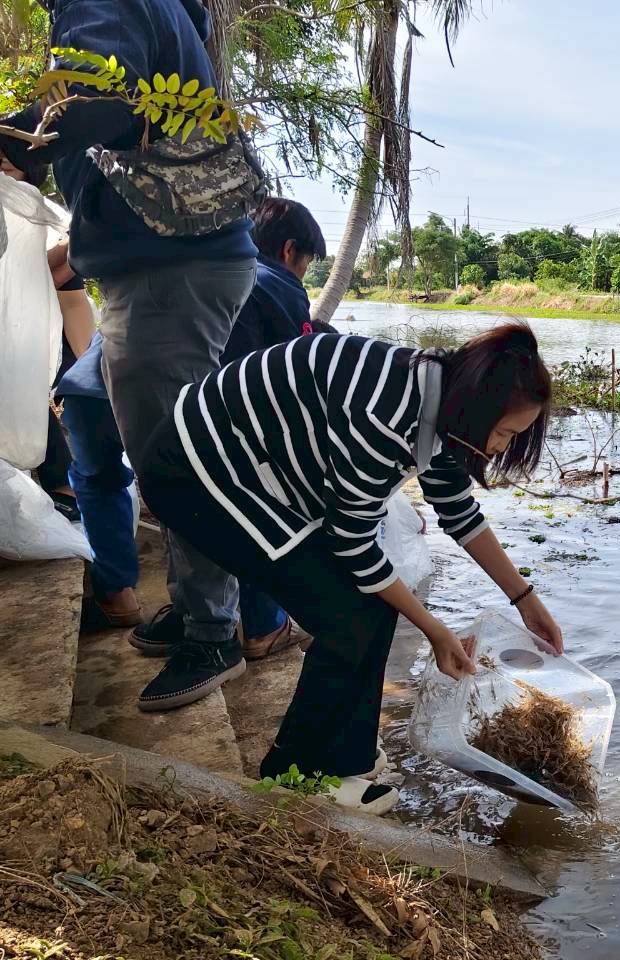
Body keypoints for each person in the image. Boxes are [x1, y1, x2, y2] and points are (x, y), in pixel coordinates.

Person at [136, 325, 563, 814]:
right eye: (506, 433)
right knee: (345, 614)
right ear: (478, 409)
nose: (500, 450)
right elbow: (353, 541)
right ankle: (294, 773)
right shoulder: (384, 416)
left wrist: (525, 599)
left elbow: (458, 511)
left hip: (254, 469)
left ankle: (347, 757)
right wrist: (434, 631)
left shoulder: (442, 403)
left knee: (372, 607)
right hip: (196, 469)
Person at [1, 0, 260, 710]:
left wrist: (16, 140)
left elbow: (96, 103)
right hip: (177, 262)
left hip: (168, 268)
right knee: (163, 451)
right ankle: (196, 605)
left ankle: (213, 633)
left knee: (177, 463)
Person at [59, 198, 330, 648]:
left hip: (91, 388)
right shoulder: (275, 284)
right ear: (288, 251)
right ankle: (260, 627)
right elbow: (288, 378)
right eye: (306, 264)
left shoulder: (188, 263)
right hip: (173, 398)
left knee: (106, 484)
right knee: (246, 495)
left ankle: (117, 592)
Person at [0, 151, 96, 523]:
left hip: (38, 348)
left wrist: (92, 371)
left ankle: (62, 488)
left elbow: (73, 305)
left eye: (9, 162)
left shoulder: (47, 226)